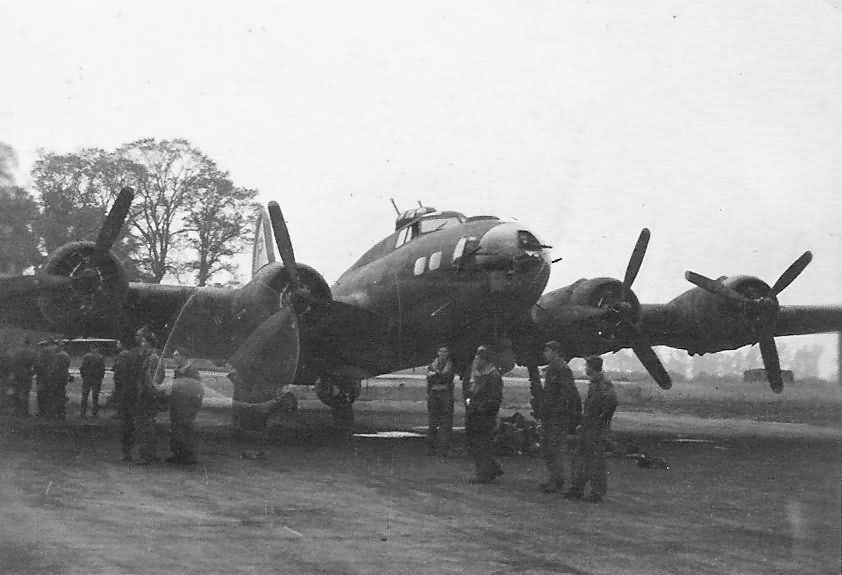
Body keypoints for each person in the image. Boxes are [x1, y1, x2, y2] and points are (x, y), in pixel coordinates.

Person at [566, 355, 618, 503]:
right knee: (580, 458)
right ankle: (577, 488)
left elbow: (612, 403)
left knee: (596, 462)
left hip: (595, 429)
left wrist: (601, 420)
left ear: (591, 367)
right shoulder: (595, 383)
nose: (585, 368)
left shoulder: (604, 385)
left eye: (587, 366)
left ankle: (596, 493)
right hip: (588, 428)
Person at [536, 341, 580, 494]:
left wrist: (557, 411)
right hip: (550, 415)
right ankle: (553, 479)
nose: (545, 354)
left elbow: (567, 393)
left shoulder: (561, 368)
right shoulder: (553, 368)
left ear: (555, 351)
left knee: (554, 448)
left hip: (557, 416)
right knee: (548, 448)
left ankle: (557, 481)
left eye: (547, 350)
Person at [121, 329, 165, 464]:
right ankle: (149, 453)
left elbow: (153, 378)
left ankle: (146, 454)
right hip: (144, 394)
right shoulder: (148, 357)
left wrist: (148, 390)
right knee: (145, 424)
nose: (142, 343)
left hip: (146, 396)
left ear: (149, 343)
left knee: (145, 425)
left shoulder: (153, 358)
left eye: (144, 341)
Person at [463, 345, 504, 484]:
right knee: (475, 443)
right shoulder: (478, 375)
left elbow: (495, 398)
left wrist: (481, 408)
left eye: (479, 358)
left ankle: (484, 473)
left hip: (484, 416)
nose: (476, 360)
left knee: (482, 444)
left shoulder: (493, 377)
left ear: (486, 360)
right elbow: (470, 391)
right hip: (474, 413)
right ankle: (491, 468)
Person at [167, 348, 204, 464]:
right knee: (177, 429)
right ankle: (178, 454)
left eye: (176, 355)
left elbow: (197, 389)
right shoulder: (178, 370)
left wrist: (194, 406)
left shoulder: (192, 371)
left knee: (186, 429)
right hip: (177, 404)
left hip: (187, 406)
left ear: (183, 356)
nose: (174, 358)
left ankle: (189, 455)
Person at [425, 345, 456, 456]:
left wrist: (436, 375)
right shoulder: (432, 365)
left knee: (446, 423)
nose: (443, 354)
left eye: (445, 352)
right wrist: (440, 376)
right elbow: (431, 378)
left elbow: (447, 377)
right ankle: (431, 448)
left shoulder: (449, 366)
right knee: (433, 422)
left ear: (448, 354)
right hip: (435, 394)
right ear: (437, 353)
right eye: (441, 352)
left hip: (444, 395)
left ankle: (445, 449)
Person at [9, 338, 36, 416]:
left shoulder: (16, 352)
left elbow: (12, 362)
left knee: (16, 392)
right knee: (25, 393)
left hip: (17, 374)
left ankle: (16, 411)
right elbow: (35, 364)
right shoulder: (32, 352)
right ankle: (24, 412)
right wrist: (32, 373)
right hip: (26, 375)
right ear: (29, 344)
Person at [79, 346, 106, 418]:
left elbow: (82, 367)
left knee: (85, 395)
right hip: (96, 378)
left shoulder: (87, 356)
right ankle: (95, 412)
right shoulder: (100, 357)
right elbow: (102, 369)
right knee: (95, 396)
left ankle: (82, 412)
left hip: (87, 378)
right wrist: (100, 377)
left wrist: (83, 375)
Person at [107, 341, 131, 414]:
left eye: (118, 343)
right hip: (125, 377)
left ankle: (120, 412)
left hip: (120, 377)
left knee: (120, 394)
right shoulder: (128, 353)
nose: (117, 345)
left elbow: (119, 366)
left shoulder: (122, 354)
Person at [50, 341, 72, 420]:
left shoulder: (58, 356)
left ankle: (55, 412)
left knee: (55, 395)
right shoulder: (67, 355)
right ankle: (62, 413)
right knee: (62, 394)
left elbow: (55, 367)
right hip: (64, 377)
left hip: (57, 377)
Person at [34, 340, 57, 417]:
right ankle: (49, 412)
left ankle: (42, 412)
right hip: (50, 377)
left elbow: (38, 367)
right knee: (49, 395)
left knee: (41, 395)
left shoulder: (41, 355)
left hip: (42, 378)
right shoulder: (53, 355)